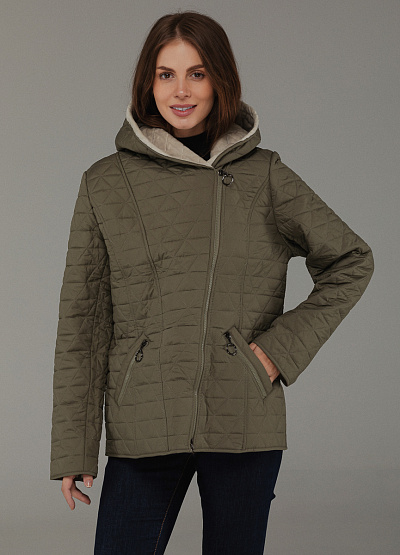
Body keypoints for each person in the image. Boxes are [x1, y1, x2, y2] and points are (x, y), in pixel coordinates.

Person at [50, 10, 374, 555]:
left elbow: (351, 259)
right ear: (148, 83)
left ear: (221, 79)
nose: (181, 91)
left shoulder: (264, 175)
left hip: (241, 414)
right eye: (166, 74)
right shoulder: (106, 182)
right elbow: (83, 322)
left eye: (197, 73)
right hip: (144, 419)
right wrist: (73, 446)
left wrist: (276, 352)